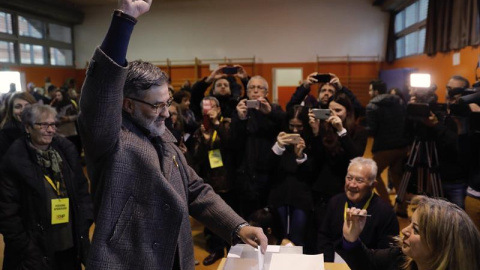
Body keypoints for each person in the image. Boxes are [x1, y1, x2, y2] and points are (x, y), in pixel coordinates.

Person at [77, 1, 267, 269]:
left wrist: (238, 226)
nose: (166, 113)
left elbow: (196, 190)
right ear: (128, 104)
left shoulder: (164, 136)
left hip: (175, 259)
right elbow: (100, 93)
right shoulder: (109, 138)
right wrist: (125, 19)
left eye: (168, 102)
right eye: (157, 105)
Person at [0, 104, 93, 270]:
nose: (50, 130)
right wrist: (27, 247)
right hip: (36, 250)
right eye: (43, 125)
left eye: (52, 124)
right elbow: (7, 213)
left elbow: (82, 190)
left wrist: (84, 223)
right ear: (28, 128)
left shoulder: (66, 153)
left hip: (71, 243)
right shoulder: (14, 161)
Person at [338, 196, 480, 270]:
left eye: (416, 230)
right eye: (410, 223)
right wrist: (352, 238)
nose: (405, 230)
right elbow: (368, 263)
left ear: (441, 246)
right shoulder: (401, 257)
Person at [308, 92, 368, 239]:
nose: (334, 114)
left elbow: (355, 157)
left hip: (345, 188)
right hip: (322, 188)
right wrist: (315, 132)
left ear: (348, 111)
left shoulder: (359, 131)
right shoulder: (323, 128)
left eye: (338, 110)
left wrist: (341, 131)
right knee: (321, 230)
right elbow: (317, 158)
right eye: (330, 110)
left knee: (340, 230)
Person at [317, 157, 399, 262]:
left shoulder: (385, 212)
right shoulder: (335, 202)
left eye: (359, 180)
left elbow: (387, 253)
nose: (352, 184)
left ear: (373, 185)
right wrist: (328, 263)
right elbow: (324, 237)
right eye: (349, 178)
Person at [230, 75, 285, 219]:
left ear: (266, 93)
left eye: (259, 88)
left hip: (269, 172)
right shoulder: (240, 111)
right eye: (251, 88)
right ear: (247, 93)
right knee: (247, 216)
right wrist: (241, 119)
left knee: (268, 216)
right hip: (246, 173)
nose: (255, 91)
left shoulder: (274, 109)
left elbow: (286, 125)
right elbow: (234, 142)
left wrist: (269, 113)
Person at [192, 96, 237, 265]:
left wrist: (217, 123)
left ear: (218, 109)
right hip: (209, 180)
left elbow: (231, 144)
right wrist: (203, 140)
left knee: (230, 216)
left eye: (212, 107)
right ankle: (216, 250)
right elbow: (196, 157)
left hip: (229, 179)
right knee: (213, 218)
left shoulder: (226, 124)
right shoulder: (201, 129)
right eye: (205, 107)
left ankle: (232, 250)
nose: (208, 110)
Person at [267, 105, 314, 246]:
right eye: (291, 125)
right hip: (279, 194)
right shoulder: (280, 137)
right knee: (280, 237)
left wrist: (301, 157)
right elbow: (268, 167)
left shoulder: (311, 139)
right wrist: (278, 147)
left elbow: (313, 173)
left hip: (301, 197)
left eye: (299, 126)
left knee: (298, 239)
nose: (294, 130)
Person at [366, 80, 408, 215]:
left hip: (384, 147)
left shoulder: (372, 105)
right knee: (397, 176)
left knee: (372, 174)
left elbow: (372, 131)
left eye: (370, 90)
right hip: (402, 146)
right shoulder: (399, 102)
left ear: (376, 92)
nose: (369, 92)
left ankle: (387, 206)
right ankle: (402, 208)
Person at [0, 92, 36, 158]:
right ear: (11, 111)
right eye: (18, 107)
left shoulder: (43, 128)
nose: (23, 110)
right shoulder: (4, 135)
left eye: (27, 106)